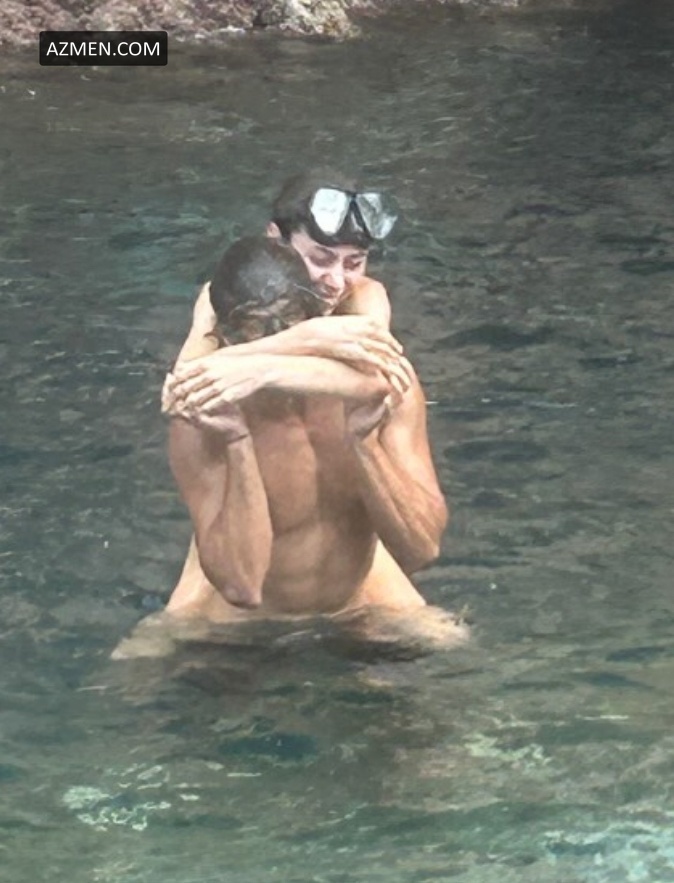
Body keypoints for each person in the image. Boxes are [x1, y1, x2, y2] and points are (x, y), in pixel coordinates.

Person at [113, 235, 467, 658]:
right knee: (133, 669)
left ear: (317, 319)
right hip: (237, 621)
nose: (276, 351)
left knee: (455, 649)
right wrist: (237, 441)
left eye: (291, 331)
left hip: (360, 599)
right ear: (224, 340)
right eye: (255, 337)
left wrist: (365, 445)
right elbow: (243, 587)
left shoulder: (369, 370)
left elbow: (423, 551)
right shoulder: (204, 415)